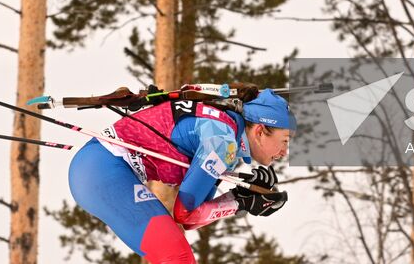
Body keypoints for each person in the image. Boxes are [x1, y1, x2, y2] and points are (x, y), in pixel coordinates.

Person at [67, 85, 292, 263]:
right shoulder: (222, 141)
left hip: (100, 167)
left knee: (177, 256)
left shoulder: (223, 132)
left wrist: (239, 199)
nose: (284, 152)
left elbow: (193, 218)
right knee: (177, 257)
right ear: (261, 131)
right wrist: (239, 203)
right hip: (103, 169)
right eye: (284, 142)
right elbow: (185, 215)